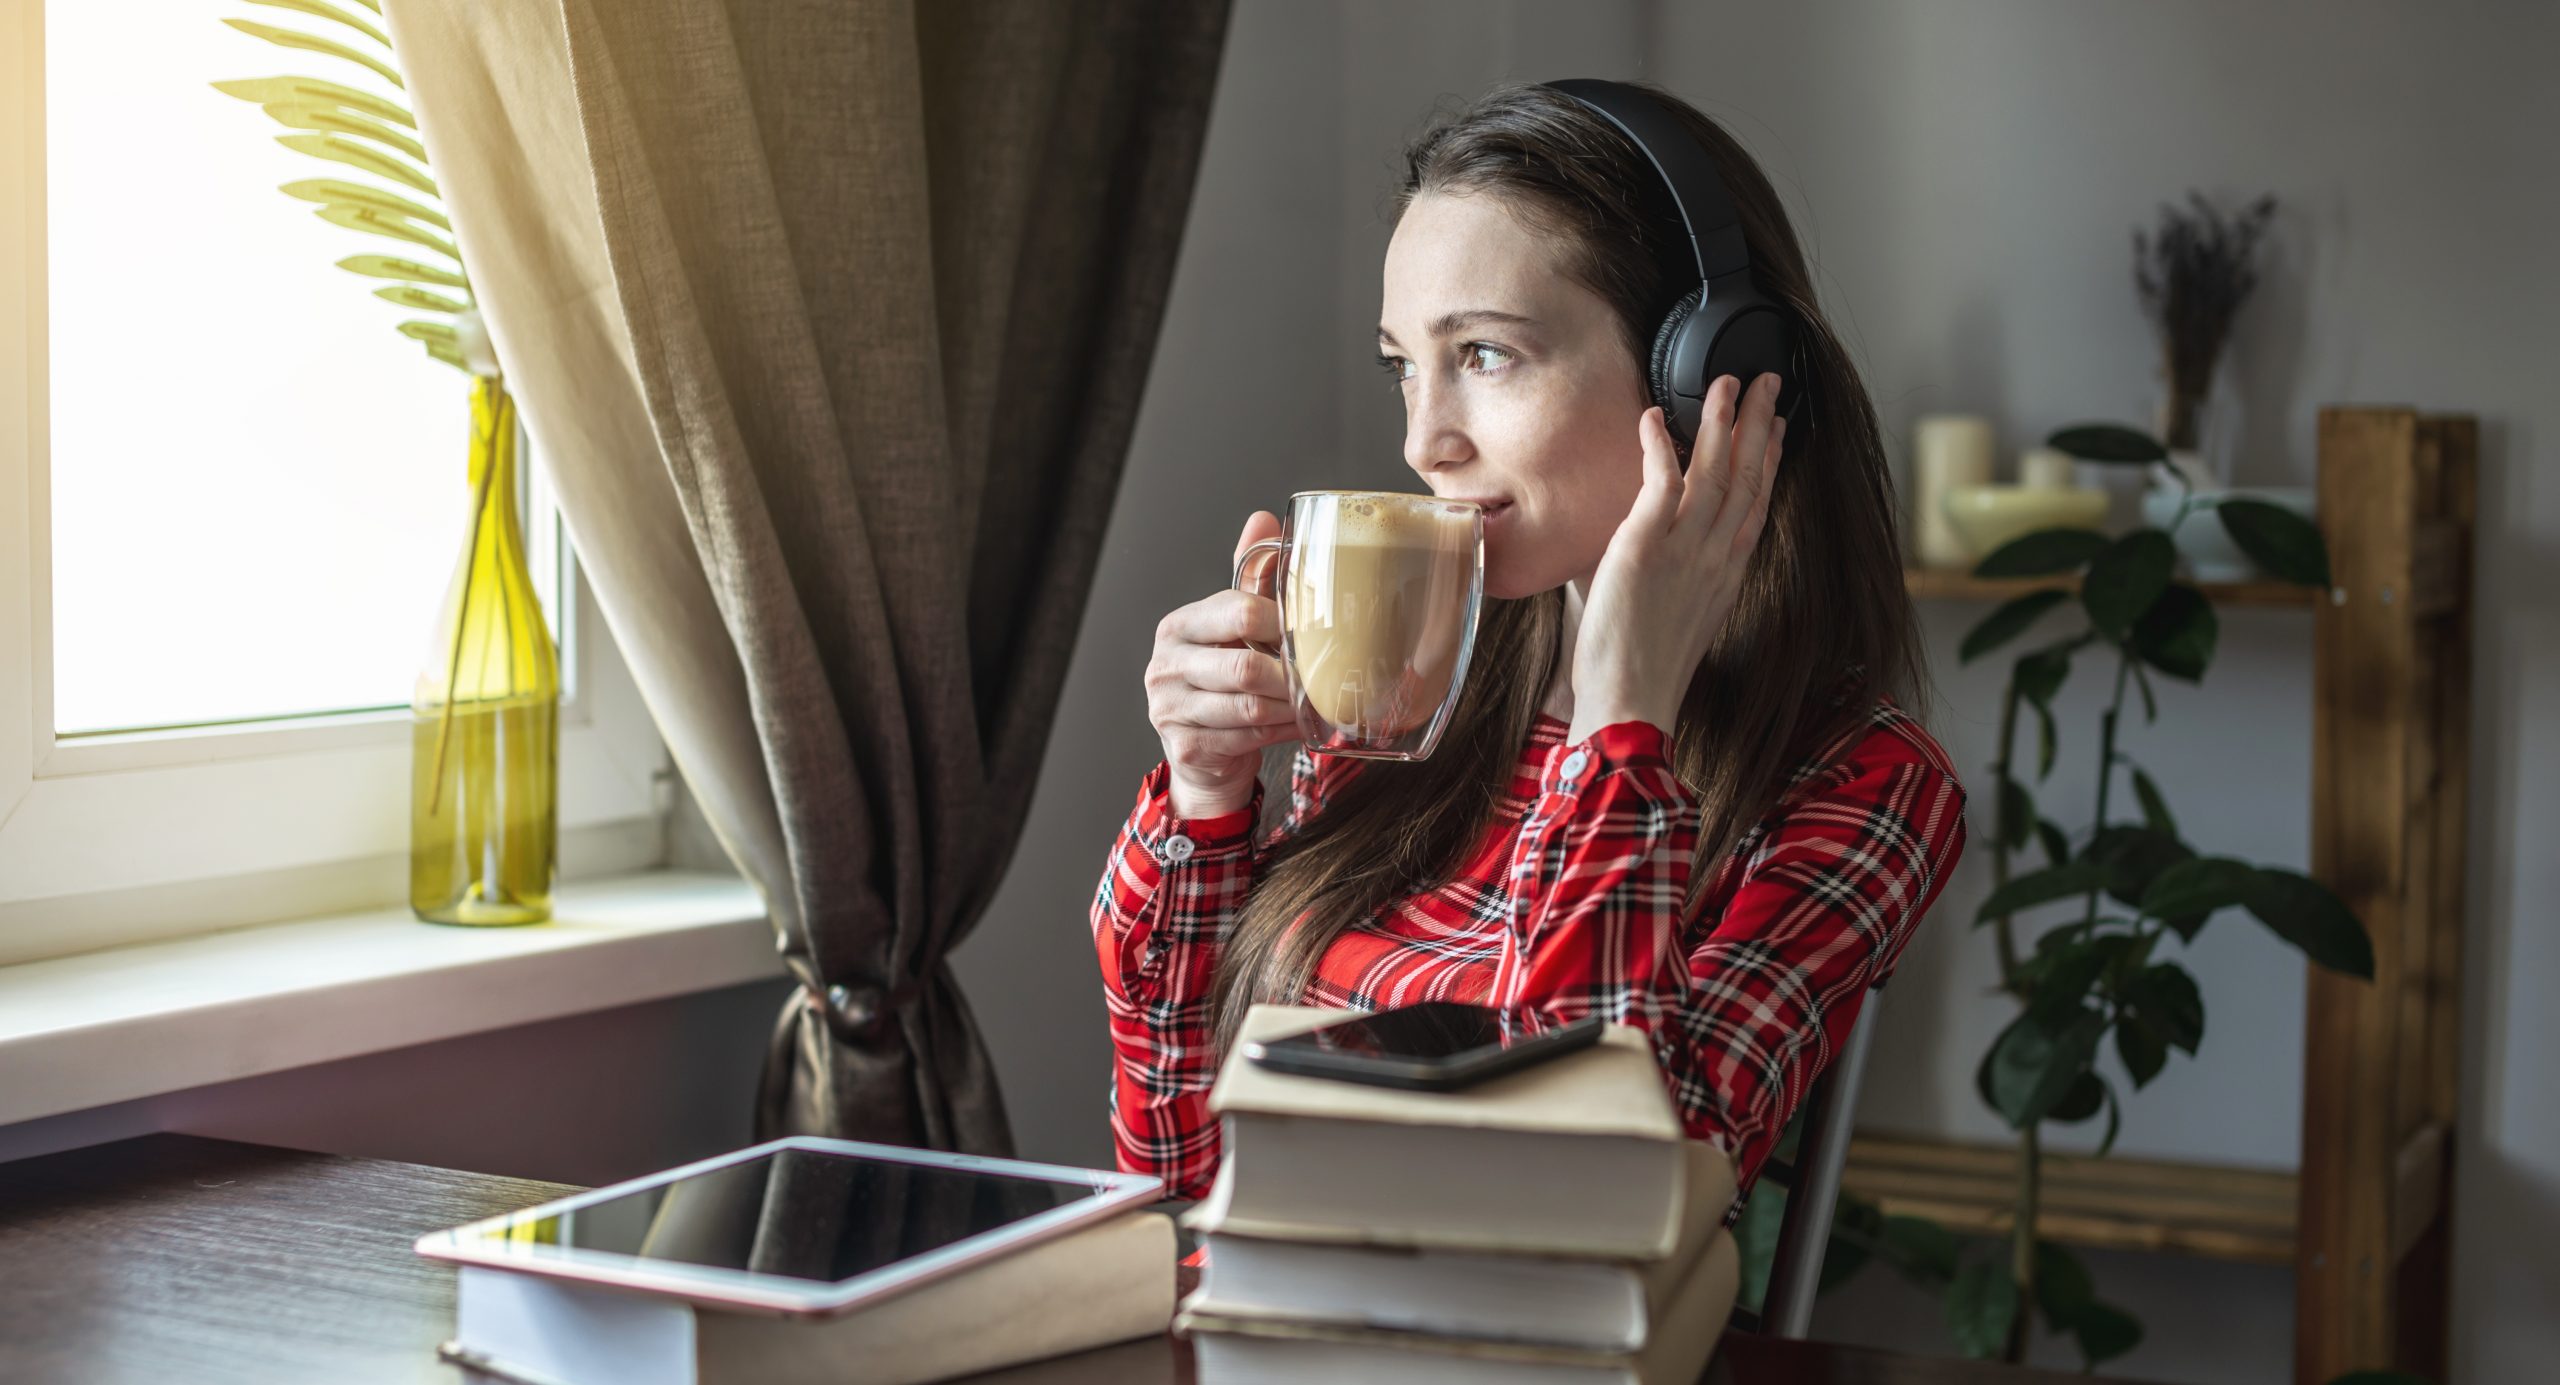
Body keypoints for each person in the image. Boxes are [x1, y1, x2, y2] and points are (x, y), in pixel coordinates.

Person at [1089, 80, 1970, 1209]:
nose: (1422, 440)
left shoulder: (1864, 787)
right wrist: (1208, 801)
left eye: (1487, 355)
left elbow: (1584, 1200)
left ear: (1703, 379)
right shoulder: (1401, 692)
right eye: (1403, 363)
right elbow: (1178, 1185)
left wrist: (1622, 721)